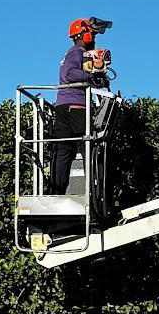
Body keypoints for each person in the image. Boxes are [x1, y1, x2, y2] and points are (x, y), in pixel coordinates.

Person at [45, 17, 111, 194]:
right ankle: (96, 191)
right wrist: (92, 72)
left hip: (63, 106)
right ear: (85, 35)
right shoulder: (77, 52)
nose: (95, 39)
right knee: (90, 148)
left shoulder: (70, 53)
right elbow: (72, 74)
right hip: (76, 107)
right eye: (93, 34)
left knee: (63, 152)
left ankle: (56, 193)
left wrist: (97, 79)